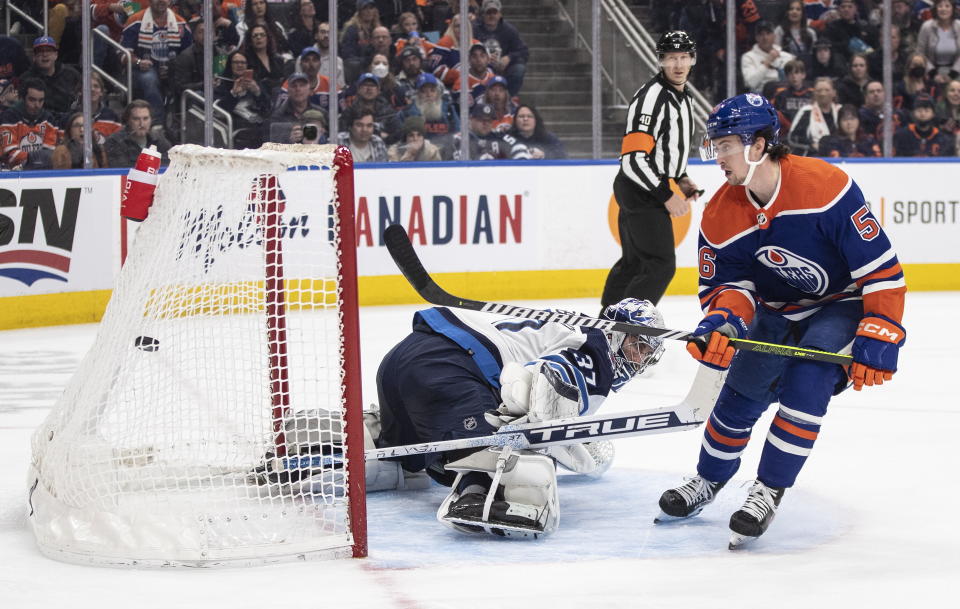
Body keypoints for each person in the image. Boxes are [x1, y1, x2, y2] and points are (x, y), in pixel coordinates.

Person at [659, 93, 906, 548]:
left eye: (725, 145)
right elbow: (728, 286)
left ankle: (768, 490)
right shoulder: (719, 211)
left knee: (809, 382)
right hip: (774, 310)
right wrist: (726, 322)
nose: (717, 157)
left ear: (758, 146)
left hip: (839, 304)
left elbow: (881, 271)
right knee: (739, 395)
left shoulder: (826, 188)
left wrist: (881, 331)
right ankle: (709, 479)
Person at [369, 298, 667, 537]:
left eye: (647, 353)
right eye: (637, 346)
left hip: (407, 357)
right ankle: (474, 493)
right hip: (450, 368)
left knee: (407, 459)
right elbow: (543, 395)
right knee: (491, 453)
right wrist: (570, 450)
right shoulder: (596, 355)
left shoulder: (577, 327)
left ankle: (359, 436)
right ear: (615, 333)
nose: (640, 360)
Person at [600, 31, 699, 312]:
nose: (678, 65)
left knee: (636, 263)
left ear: (692, 60)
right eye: (671, 59)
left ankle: (606, 321)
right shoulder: (651, 98)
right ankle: (628, 325)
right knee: (660, 265)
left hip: (646, 187)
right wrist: (666, 194)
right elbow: (632, 159)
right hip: (639, 189)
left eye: (683, 57)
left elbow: (667, 149)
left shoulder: (685, 97)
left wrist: (681, 177)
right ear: (660, 61)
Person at [120, 0, 194, 125]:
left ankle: (179, 123)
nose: (161, 1)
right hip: (140, 71)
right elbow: (122, 54)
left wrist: (172, 68)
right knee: (149, 78)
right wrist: (138, 62)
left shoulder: (180, 22)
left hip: (172, 70)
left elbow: (189, 53)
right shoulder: (135, 21)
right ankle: (157, 124)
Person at [215, 50, 272, 149]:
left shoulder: (255, 83)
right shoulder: (222, 84)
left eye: (243, 63)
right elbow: (218, 112)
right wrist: (233, 94)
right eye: (236, 62)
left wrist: (257, 92)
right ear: (230, 65)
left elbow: (268, 108)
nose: (240, 65)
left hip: (259, 124)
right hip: (236, 125)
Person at [0, 79, 61, 171]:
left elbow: (50, 156)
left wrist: (29, 158)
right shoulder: (9, 117)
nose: (37, 105)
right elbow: (11, 156)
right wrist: (37, 157)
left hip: (43, 173)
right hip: (13, 175)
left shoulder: (49, 119)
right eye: (32, 100)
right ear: (22, 98)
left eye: (41, 100)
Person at [473, 0, 529, 97]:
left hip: (502, 67)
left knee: (519, 69)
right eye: (488, 13)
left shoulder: (510, 30)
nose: (492, 16)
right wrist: (483, 59)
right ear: (483, 15)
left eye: (495, 12)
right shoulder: (475, 28)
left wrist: (509, 58)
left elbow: (523, 51)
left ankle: (509, 97)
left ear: (500, 14)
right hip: (479, 65)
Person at [20, 36, 81, 116]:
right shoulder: (26, 79)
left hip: (68, 120)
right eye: (40, 51)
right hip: (40, 121)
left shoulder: (71, 74)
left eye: (49, 51)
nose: (45, 54)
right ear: (34, 57)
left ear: (56, 55)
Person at [397, 72, 457, 153]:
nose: (429, 95)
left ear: (438, 93)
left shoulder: (449, 109)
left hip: (446, 155)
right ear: (417, 94)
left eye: (432, 90)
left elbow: (458, 134)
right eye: (423, 91)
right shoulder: (406, 113)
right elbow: (400, 139)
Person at [104, 99, 172, 168]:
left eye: (145, 119)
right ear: (128, 120)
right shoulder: (115, 141)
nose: (142, 124)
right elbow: (120, 170)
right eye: (136, 119)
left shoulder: (159, 141)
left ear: (151, 120)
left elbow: (167, 168)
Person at [453, 102, 530, 160]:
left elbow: (519, 146)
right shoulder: (460, 138)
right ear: (471, 120)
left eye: (489, 120)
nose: (485, 123)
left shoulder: (500, 136)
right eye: (481, 119)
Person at [341, 72, 402, 141]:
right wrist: (379, 134)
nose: (369, 88)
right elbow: (343, 134)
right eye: (365, 85)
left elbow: (397, 135)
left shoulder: (388, 112)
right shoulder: (350, 112)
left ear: (378, 90)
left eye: (372, 85)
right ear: (358, 89)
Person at [741, 21, 796, 95]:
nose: (765, 38)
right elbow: (751, 83)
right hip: (760, 95)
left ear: (774, 36)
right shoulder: (748, 57)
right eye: (761, 34)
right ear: (756, 38)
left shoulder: (787, 56)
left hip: (784, 95)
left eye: (768, 33)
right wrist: (767, 62)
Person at [787, 76, 839, 154]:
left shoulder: (840, 111)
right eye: (819, 90)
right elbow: (793, 137)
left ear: (834, 93)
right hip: (812, 156)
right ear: (814, 93)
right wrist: (811, 145)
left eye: (827, 90)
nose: (823, 93)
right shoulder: (807, 111)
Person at [917, 0, 960, 85]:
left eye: (947, 6)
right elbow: (920, 53)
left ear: (953, 9)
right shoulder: (926, 27)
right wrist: (933, 73)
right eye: (940, 6)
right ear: (935, 9)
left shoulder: (959, 26)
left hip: (956, 72)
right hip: (932, 73)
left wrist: (953, 74)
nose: (943, 9)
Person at [241, 23, 286, 97]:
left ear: (267, 38)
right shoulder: (246, 60)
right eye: (255, 36)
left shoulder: (278, 59)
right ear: (250, 40)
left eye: (262, 35)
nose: (259, 37)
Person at [770, 59, 813, 130]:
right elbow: (771, 112)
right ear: (786, 76)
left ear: (803, 75)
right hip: (786, 131)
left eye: (796, 73)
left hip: (809, 129)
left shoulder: (812, 93)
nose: (794, 76)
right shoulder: (780, 93)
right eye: (790, 73)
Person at [774, 0, 817, 69]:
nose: (794, 12)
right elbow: (776, 54)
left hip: (806, 68)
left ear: (802, 13)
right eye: (791, 9)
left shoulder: (810, 32)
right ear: (787, 12)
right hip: (786, 68)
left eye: (798, 9)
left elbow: (814, 55)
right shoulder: (780, 31)